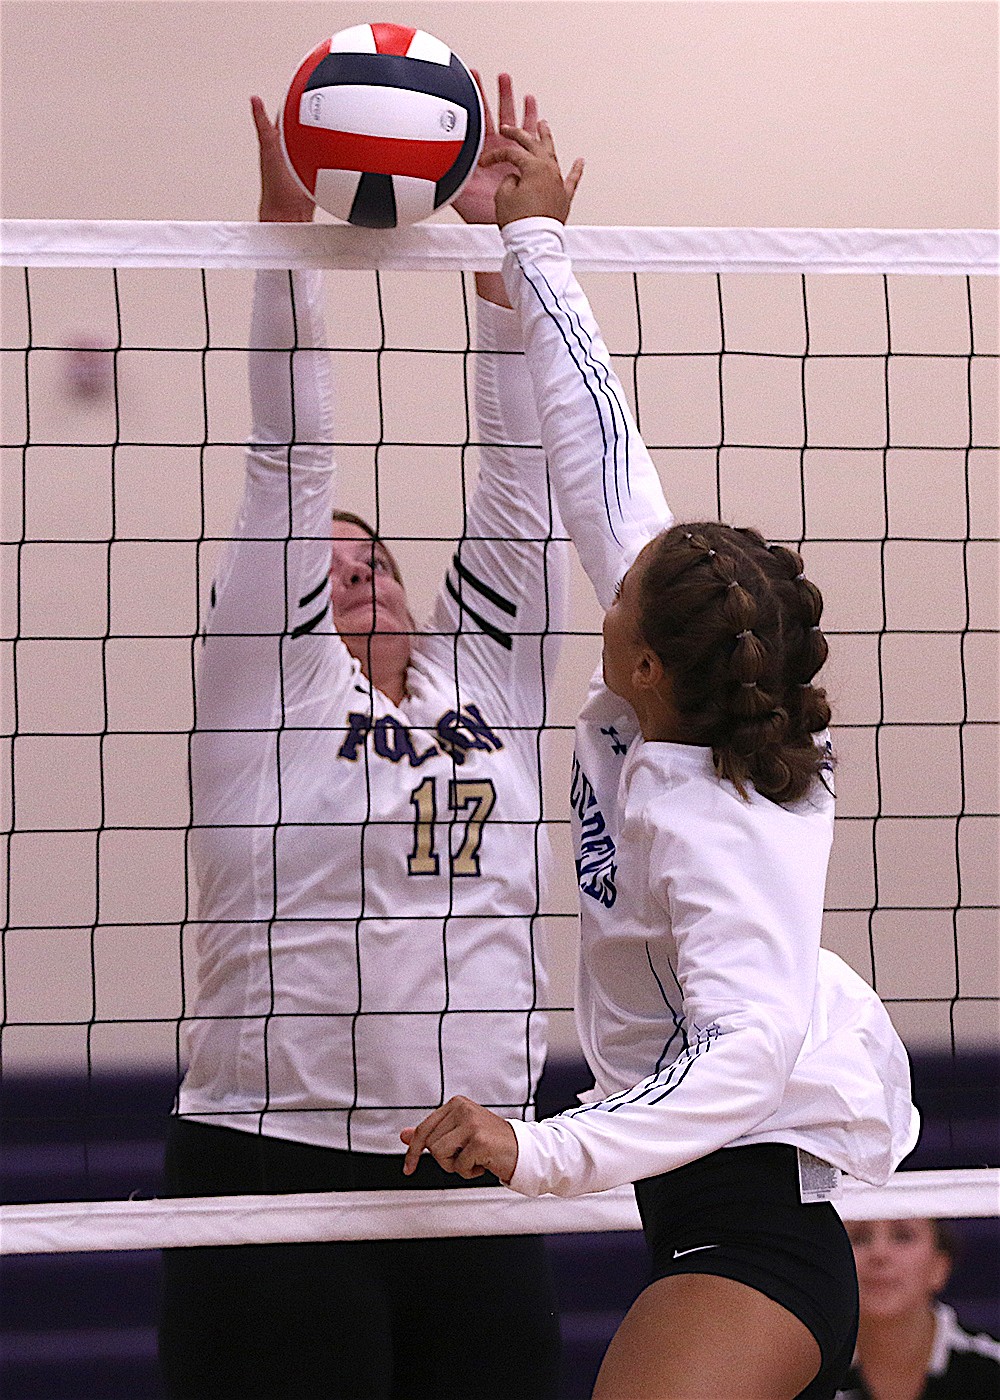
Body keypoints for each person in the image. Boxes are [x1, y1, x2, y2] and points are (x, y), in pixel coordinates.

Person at [401, 121, 921, 1400]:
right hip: (704, 1213)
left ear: (645, 665)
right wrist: (534, 242)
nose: (609, 574)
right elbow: (603, 465)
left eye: (621, 592)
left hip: (753, 1239)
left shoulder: (726, 830)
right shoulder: (675, 691)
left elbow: (741, 1051)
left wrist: (538, 1145)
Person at [157, 78, 571, 1400]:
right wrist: (291, 252)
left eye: (375, 561)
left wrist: (508, 256)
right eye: (324, 576)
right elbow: (291, 457)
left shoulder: (487, 685)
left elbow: (519, 472)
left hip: (472, 1165)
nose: (357, 575)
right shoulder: (269, 694)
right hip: (272, 1167)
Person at [836, 1217, 1000, 1399]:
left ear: (940, 1265)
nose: (879, 1253)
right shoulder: (811, 1369)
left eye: (903, 1236)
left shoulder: (992, 1365)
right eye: (859, 1238)